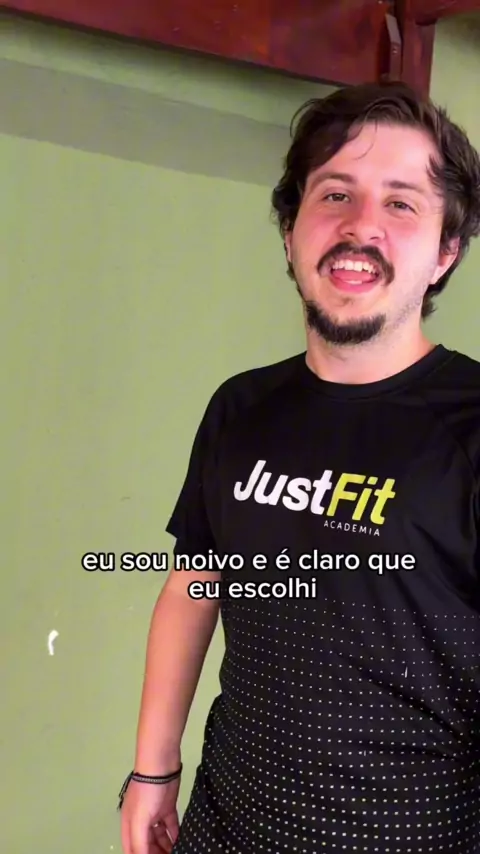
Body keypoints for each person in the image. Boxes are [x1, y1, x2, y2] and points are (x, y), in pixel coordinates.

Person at [119, 80, 480, 854]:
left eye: (402, 203)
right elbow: (194, 583)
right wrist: (153, 769)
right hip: (225, 824)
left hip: (412, 836)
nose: (361, 225)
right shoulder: (241, 406)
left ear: (445, 251)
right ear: (290, 232)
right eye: (335, 194)